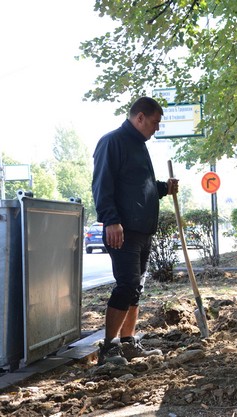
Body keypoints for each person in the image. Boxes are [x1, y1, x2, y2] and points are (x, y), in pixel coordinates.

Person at [92, 96, 179, 365]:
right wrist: (111, 220)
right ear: (139, 117)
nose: (156, 128)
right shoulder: (113, 141)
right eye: (154, 122)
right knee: (126, 285)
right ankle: (108, 349)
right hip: (123, 228)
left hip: (142, 229)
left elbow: (141, 185)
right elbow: (101, 184)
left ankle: (128, 342)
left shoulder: (139, 145)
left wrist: (164, 187)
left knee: (135, 289)